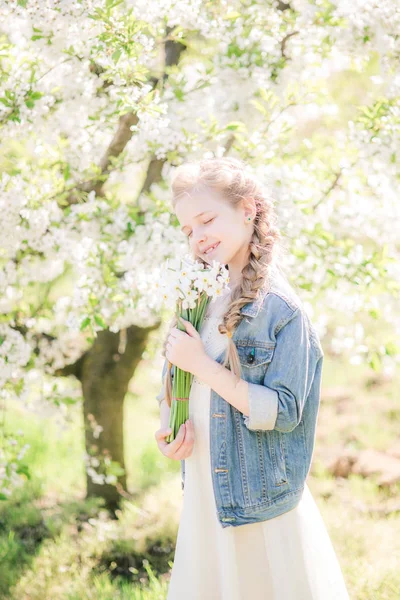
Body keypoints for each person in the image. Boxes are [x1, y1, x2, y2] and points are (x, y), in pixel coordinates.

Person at [154, 157, 350, 599]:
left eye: (206, 219)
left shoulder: (281, 311)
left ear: (247, 209)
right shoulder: (200, 294)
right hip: (206, 480)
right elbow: (175, 375)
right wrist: (169, 425)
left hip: (256, 492)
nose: (199, 236)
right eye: (188, 230)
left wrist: (203, 366)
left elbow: (282, 412)